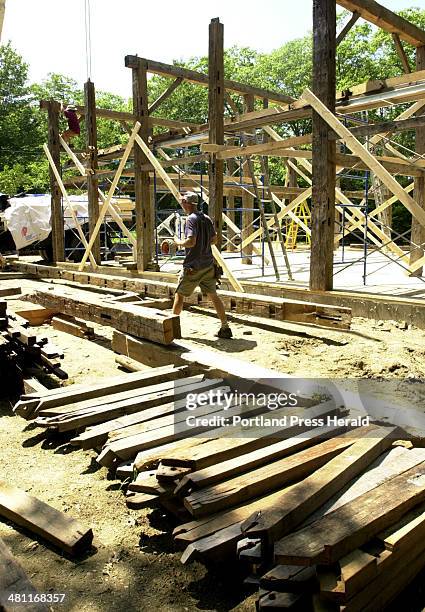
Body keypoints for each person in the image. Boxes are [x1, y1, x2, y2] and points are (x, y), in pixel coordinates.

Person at [172, 192, 232, 339]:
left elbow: (191, 242)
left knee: (179, 295)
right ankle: (225, 327)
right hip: (208, 265)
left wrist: (178, 243)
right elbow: (214, 239)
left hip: (194, 266)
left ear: (188, 203)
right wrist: (203, 243)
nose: (182, 205)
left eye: (183, 202)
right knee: (213, 295)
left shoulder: (191, 220)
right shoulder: (206, 218)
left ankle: (171, 329)